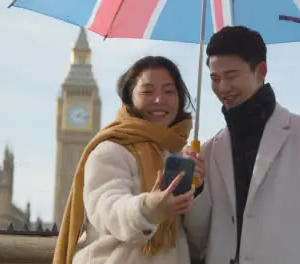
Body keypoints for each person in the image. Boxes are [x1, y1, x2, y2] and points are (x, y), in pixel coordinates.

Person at [183, 26, 300, 264]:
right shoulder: (208, 150)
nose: (222, 88)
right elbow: (198, 239)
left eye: (231, 76)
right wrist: (195, 187)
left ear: (261, 70)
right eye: (215, 78)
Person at [52, 56, 206, 264]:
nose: (159, 100)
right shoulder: (111, 149)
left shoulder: (177, 155)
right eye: (148, 91)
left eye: (169, 91)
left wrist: (197, 188)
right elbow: (107, 209)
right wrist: (148, 208)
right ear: (129, 98)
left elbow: (197, 236)